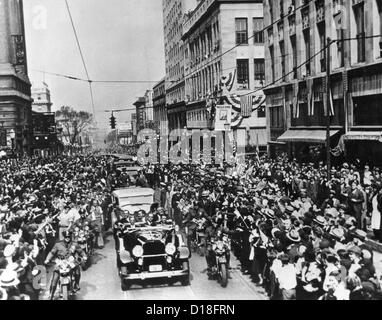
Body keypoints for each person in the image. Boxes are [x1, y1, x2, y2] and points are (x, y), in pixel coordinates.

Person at [44, 231, 87, 300]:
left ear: (70, 237)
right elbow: (52, 253)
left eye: (69, 237)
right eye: (66, 237)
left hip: (71, 260)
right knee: (54, 280)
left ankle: (76, 284)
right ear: (64, 237)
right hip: (60, 262)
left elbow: (80, 251)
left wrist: (84, 256)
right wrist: (47, 259)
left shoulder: (74, 244)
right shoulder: (58, 244)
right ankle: (51, 295)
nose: (67, 238)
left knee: (77, 271)